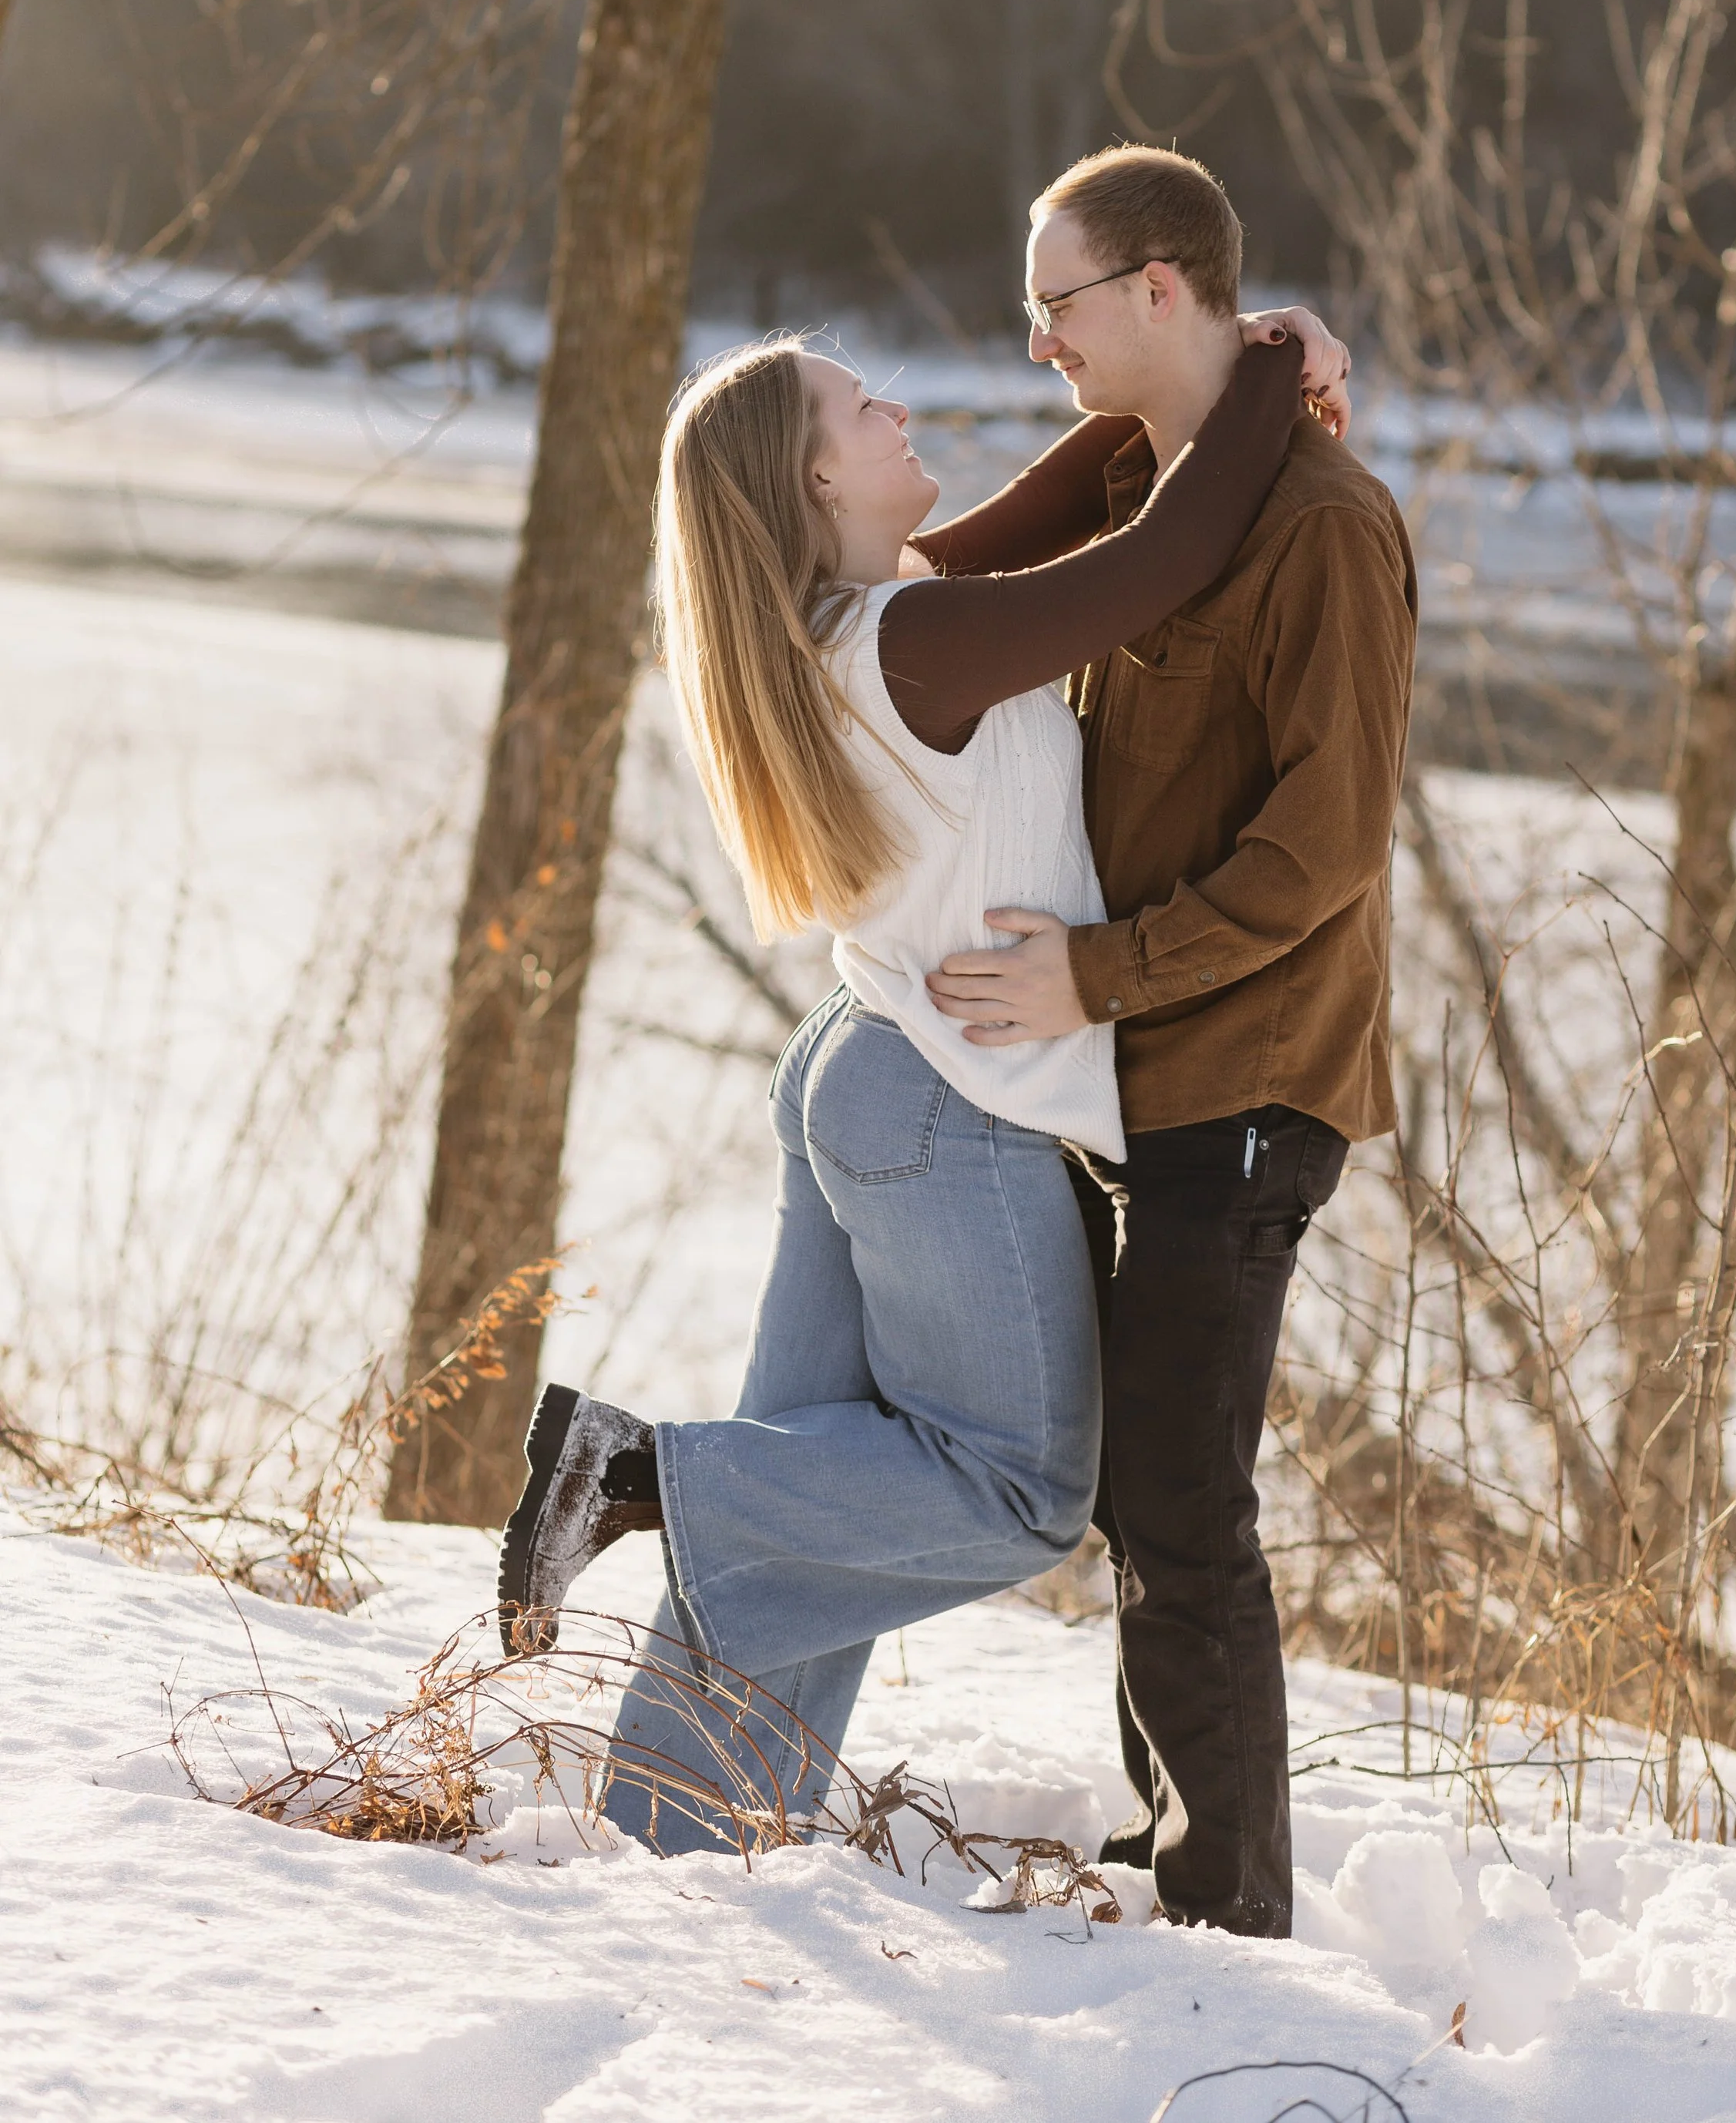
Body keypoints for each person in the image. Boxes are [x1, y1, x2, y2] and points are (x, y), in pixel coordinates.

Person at [493, 296, 1352, 1849]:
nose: (900, 418)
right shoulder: (923, 639)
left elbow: (1077, 498)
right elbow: (1162, 556)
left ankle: (670, 1833)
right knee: (1014, 1490)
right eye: (861, 411)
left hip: (863, 1078)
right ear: (815, 485)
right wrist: (1275, 370)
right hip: (939, 1110)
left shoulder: (858, 625)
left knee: (806, 1498)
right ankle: (634, 1473)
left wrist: (1212, 372)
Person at [924, 146, 1417, 1940]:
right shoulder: (1147, 490)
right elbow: (930, 577)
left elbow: (1327, 844)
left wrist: (1097, 976)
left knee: (1183, 1498)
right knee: (1124, 1480)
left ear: (1153, 288)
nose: (1031, 335)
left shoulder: (1322, 527)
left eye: (1053, 298)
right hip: (1130, 1070)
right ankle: (1174, 1853)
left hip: (1245, 1074)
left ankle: (1224, 1907)